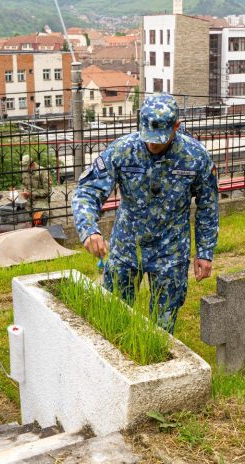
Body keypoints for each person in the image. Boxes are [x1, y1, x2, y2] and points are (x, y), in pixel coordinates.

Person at [72, 93, 219, 333]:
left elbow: (208, 206)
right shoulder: (122, 150)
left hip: (170, 252)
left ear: (176, 127)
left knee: (162, 328)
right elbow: (87, 190)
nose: (153, 145)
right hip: (127, 247)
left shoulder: (195, 157)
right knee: (113, 319)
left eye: (160, 139)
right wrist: (89, 229)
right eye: (149, 138)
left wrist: (205, 251)